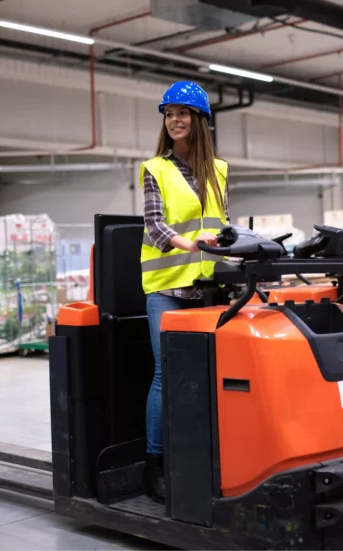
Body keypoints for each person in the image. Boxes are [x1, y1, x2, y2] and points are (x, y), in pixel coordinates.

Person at [139, 81, 230, 503]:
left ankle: (203, 454)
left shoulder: (220, 171)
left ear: (200, 121)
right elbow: (155, 226)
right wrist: (189, 244)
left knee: (207, 375)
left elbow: (221, 224)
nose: (175, 120)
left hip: (207, 289)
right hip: (166, 289)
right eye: (169, 113)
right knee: (166, 375)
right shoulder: (154, 169)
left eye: (183, 113)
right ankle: (154, 465)